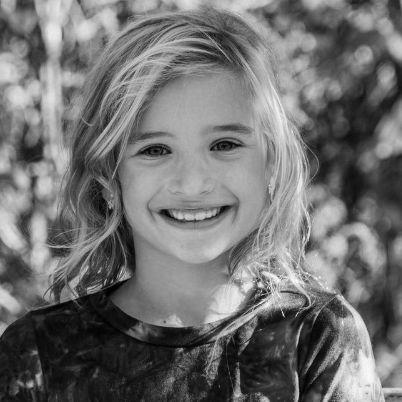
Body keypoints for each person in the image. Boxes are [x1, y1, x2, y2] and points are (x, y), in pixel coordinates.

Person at [0, 6, 384, 401]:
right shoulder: (38, 353)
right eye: (155, 150)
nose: (193, 183)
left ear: (271, 161)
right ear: (108, 178)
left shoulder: (319, 337)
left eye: (224, 145)